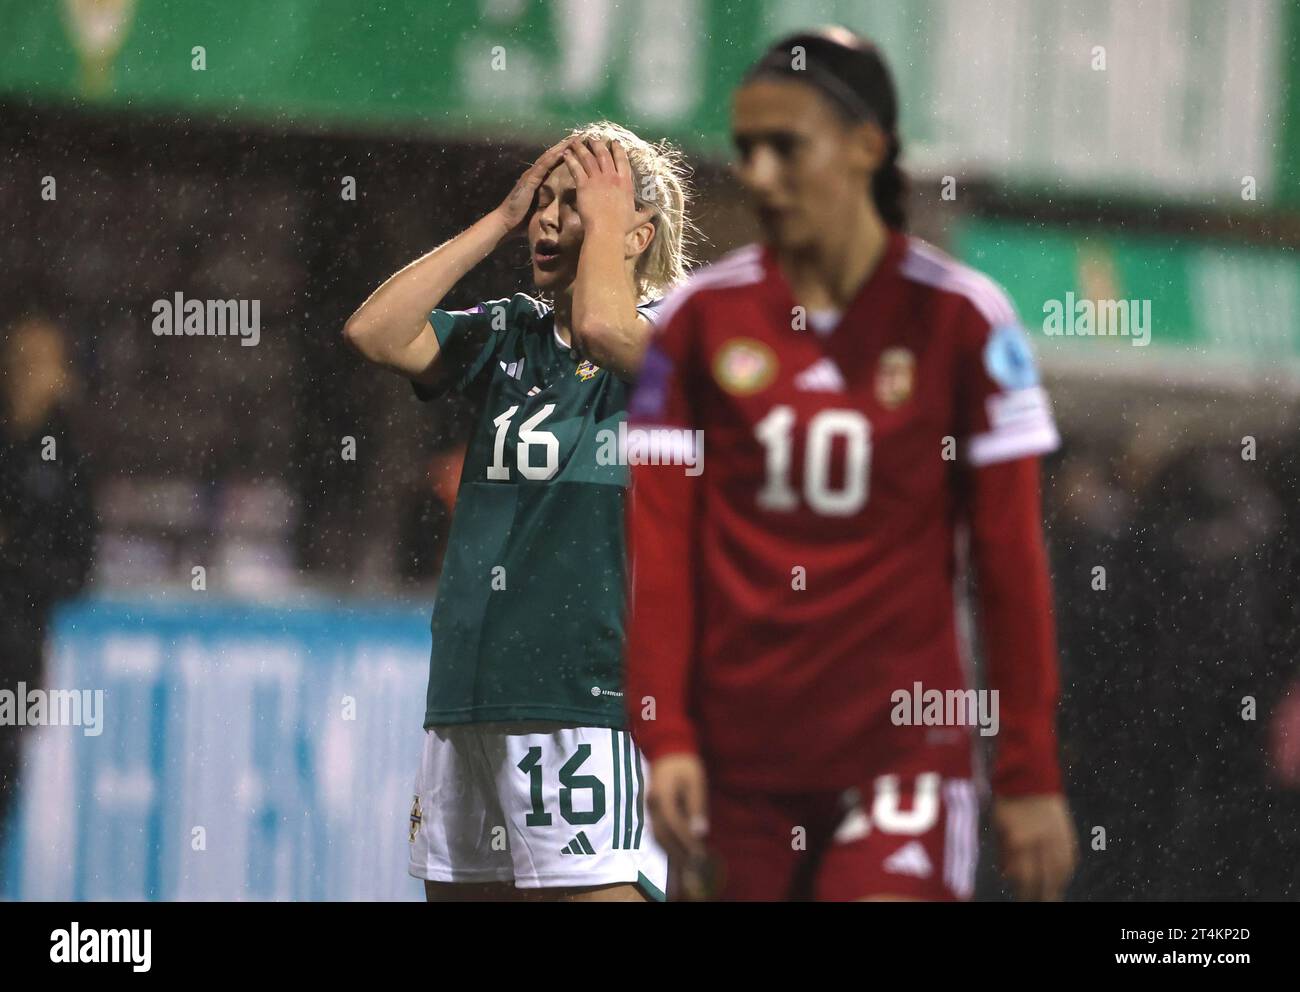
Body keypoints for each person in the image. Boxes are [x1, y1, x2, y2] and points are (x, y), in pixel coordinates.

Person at [624, 28, 1077, 901]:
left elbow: (1010, 567)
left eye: (786, 146)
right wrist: (666, 732)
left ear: (869, 146)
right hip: (734, 764)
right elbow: (661, 559)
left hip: (903, 761)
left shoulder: (964, 322)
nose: (756, 174)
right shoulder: (695, 325)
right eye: (746, 148)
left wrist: (1028, 771)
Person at [344, 122, 694, 901]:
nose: (547, 219)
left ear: (636, 232)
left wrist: (603, 226)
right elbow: (375, 332)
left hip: (581, 699)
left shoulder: (678, 340)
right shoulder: (510, 332)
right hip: (468, 695)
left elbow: (606, 326)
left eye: (576, 205)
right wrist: (498, 220)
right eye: (543, 202)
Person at [0, 314, 96, 838]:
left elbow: (77, 565)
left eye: (38, 362)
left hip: (15, 650)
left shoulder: (65, 458)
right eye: (19, 360)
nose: (26, 372)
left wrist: (15, 557)